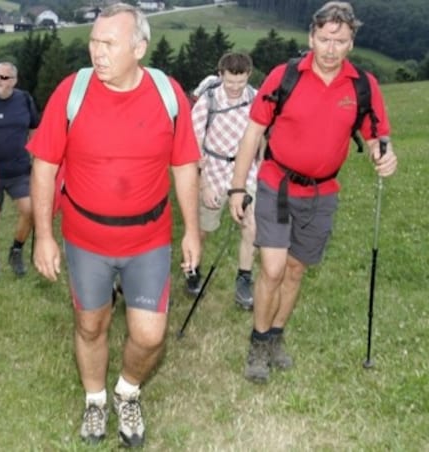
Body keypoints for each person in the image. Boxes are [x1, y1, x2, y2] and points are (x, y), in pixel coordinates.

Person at [28, 3, 200, 447]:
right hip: (86, 239)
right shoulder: (73, 90)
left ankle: (127, 390)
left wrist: (194, 231)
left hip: (149, 238)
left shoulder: (167, 93)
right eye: (94, 41)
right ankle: (95, 400)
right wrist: (43, 236)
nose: (97, 52)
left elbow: (184, 166)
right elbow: (44, 165)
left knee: (149, 334)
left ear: (139, 48)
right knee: (91, 325)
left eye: (109, 43)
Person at [228, 1, 398, 384]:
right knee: (272, 268)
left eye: (340, 40)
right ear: (311, 37)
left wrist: (383, 155)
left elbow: (376, 135)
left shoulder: (362, 86)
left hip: (322, 193)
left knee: (295, 269)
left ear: (351, 42)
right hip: (281, 186)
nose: (331, 48)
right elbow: (253, 132)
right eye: (324, 39)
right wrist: (238, 187)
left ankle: (275, 337)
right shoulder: (284, 76)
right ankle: (257, 343)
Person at [189, 52, 259, 310]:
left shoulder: (255, 98)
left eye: (240, 83)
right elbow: (194, 143)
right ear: (220, 75)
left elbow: (261, 133)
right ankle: (192, 269)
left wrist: (259, 163)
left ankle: (244, 279)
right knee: (203, 230)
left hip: (246, 170)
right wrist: (204, 184)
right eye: (230, 82)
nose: (234, 88)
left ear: (248, 76)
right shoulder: (207, 100)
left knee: (251, 225)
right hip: (213, 169)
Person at [0, 61, 40, 277]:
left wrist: (36, 156)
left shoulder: (24, 99)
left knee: (31, 210)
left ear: (14, 81)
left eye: (4, 77)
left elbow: (34, 128)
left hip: (19, 169)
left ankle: (17, 250)